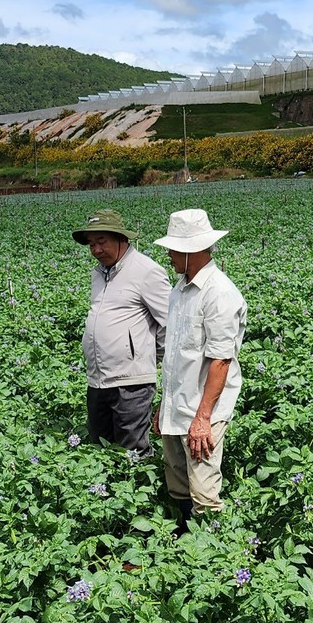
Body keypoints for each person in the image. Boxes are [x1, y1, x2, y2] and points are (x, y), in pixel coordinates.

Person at [151, 208, 245, 533]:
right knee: (176, 478)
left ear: (192, 251)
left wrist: (203, 418)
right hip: (177, 405)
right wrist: (164, 404)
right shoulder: (179, 289)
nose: (168, 255)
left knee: (203, 488)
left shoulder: (219, 293)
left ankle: (212, 556)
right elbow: (177, 353)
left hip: (203, 410)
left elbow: (221, 361)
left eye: (173, 249)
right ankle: (183, 541)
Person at [70, 208, 171, 458]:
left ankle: (136, 492)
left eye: (101, 242)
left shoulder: (146, 271)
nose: (96, 250)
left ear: (121, 238)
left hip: (131, 382)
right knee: (100, 447)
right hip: (98, 379)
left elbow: (170, 324)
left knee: (132, 449)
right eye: (92, 244)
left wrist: (146, 357)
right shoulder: (98, 273)